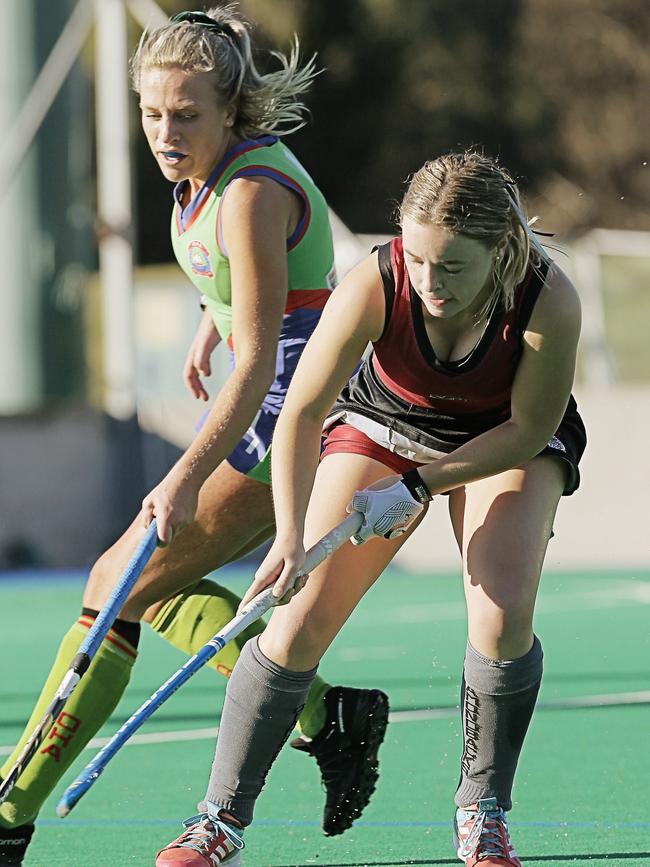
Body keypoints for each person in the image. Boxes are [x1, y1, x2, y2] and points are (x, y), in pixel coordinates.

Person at [0, 8, 389, 865]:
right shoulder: (207, 177)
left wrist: (180, 476)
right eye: (150, 113)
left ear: (231, 108)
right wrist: (213, 323)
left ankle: (9, 809)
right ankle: (327, 712)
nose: (165, 134)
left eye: (186, 115)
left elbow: (258, 368)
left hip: (297, 417)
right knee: (143, 586)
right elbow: (266, 296)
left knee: (115, 583)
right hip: (282, 394)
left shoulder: (248, 190)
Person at [153, 150, 586, 867]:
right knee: (293, 624)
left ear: (500, 250)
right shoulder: (376, 281)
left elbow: (529, 430)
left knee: (501, 613)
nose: (430, 281)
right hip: (384, 426)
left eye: (452, 267)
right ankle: (217, 821)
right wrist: (290, 534)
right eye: (418, 259)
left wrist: (416, 487)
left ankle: (481, 812)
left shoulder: (549, 299)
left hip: (502, 438)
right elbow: (302, 411)